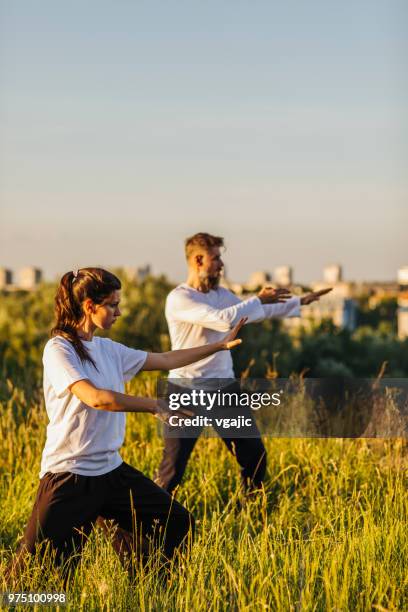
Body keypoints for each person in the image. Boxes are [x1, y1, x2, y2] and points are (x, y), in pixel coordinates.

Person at [8, 267, 246, 581]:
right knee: (35, 574)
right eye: (113, 304)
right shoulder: (58, 350)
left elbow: (164, 359)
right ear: (90, 306)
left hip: (111, 473)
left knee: (176, 523)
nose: (119, 312)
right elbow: (95, 398)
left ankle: (146, 590)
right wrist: (153, 406)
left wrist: (218, 345)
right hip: (70, 477)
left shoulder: (109, 349)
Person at [155, 232, 331, 495]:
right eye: (216, 258)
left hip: (223, 389)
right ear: (198, 260)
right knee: (173, 470)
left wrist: (299, 301)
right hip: (185, 391)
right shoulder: (180, 298)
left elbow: (256, 312)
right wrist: (257, 299)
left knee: (254, 457)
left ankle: (251, 509)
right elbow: (224, 320)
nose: (221, 265)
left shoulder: (222, 294)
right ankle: (148, 523)